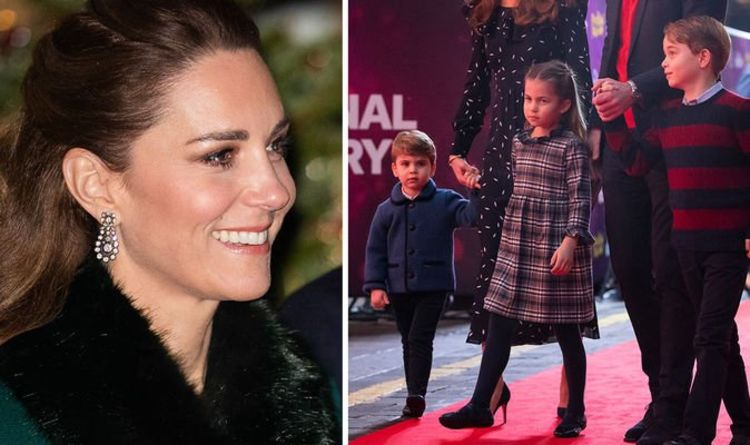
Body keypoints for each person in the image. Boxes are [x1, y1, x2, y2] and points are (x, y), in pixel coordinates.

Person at [0, 1, 336, 443]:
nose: (276, 191)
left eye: (275, 146)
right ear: (96, 184)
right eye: (219, 156)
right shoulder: (16, 421)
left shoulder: (320, 398)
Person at [603, 16, 750, 445]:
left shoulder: (738, 112)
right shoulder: (665, 117)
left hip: (726, 248)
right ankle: (745, 426)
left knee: (709, 339)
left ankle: (695, 433)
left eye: (671, 53)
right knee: (722, 338)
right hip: (685, 246)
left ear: (703, 58)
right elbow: (636, 163)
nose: (663, 63)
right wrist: (612, 119)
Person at [449, 0, 598, 416]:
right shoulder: (484, 13)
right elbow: (477, 84)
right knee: (496, 277)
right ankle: (488, 394)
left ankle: (572, 403)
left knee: (562, 286)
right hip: (503, 154)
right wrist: (458, 149)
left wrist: (590, 141)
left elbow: (580, 75)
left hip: (556, 153)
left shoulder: (562, 8)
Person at [363, 130, 479, 418]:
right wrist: (376, 286)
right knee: (408, 340)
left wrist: (475, 189)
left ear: (432, 167)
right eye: (405, 164)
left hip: (434, 286)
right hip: (398, 287)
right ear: (395, 169)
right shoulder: (385, 210)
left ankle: (416, 395)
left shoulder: (446, 201)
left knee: (419, 338)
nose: (413, 170)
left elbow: (471, 217)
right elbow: (376, 250)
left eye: (420, 164)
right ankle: (414, 390)